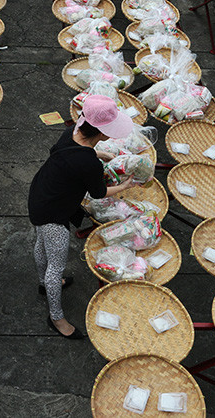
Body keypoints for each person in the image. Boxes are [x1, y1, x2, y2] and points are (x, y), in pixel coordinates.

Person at [29, 95, 137, 338]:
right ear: (102, 132)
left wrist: (98, 156)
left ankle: (43, 284)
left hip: (40, 193)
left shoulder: (72, 131)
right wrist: (125, 186)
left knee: (40, 243)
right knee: (56, 266)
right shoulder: (88, 163)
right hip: (53, 212)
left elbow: (69, 154)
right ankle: (56, 318)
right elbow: (99, 193)